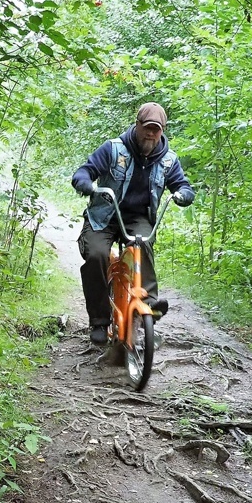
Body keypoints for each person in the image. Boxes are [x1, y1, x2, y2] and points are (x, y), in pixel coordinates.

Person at [71, 101, 194, 346]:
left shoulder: (168, 160)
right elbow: (85, 171)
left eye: (156, 129)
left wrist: (184, 194)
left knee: (142, 246)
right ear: (137, 125)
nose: (151, 133)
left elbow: (182, 184)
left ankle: (147, 306)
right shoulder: (114, 149)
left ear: (163, 131)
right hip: (105, 214)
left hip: (137, 218)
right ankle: (99, 321)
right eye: (147, 127)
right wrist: (84, 182)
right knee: (96, 255)